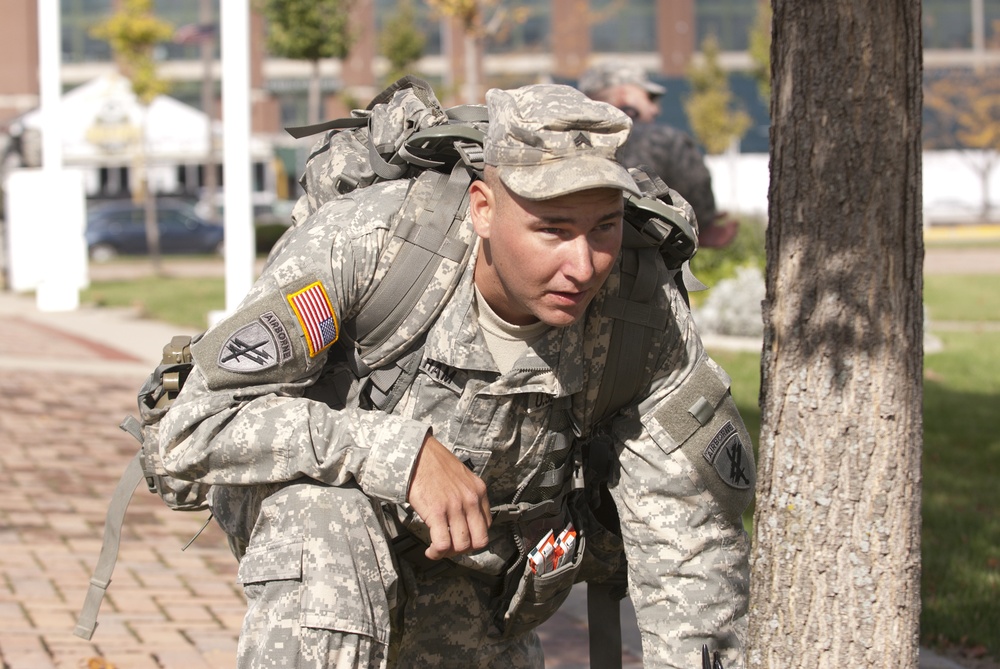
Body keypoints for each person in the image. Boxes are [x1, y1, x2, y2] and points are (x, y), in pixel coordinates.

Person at [157, 83, 753, 668]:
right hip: (328, 570)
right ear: (483, 209)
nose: (583, 264)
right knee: (322, 519)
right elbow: (195, 425)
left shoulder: (639, 311)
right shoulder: (370, 246)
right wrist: (397, 452)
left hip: (484, 591)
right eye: (553, 229)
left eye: (604, 226)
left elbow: (693, 544)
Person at [578, 60, 740, 249]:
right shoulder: (664, 139)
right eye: (650, 98)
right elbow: (698, 202)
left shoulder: (563, 141)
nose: (656, 109)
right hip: (640, 269)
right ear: (625, 96)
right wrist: (704, 223)